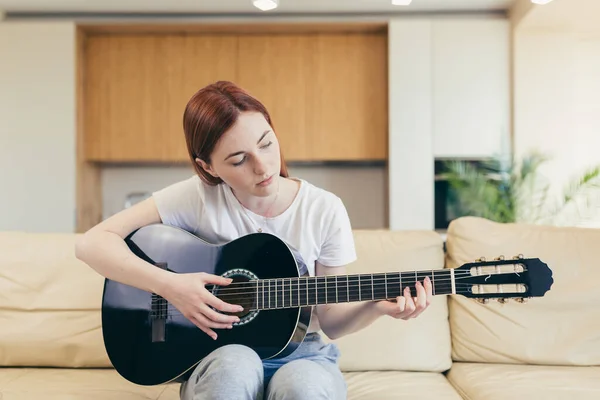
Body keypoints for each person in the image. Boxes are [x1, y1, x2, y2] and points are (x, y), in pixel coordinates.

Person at [75, 81, 433, 400]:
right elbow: (91, 244)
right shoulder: (197, 197)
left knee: (303, 388)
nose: (263, 167)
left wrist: (377, 307)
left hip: (301, 354)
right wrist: (171, 287)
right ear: (209, 167)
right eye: (239, 160)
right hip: (216, 354)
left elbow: (332, 322)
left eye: (266, 144)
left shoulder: (324, 209)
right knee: (236, 365)